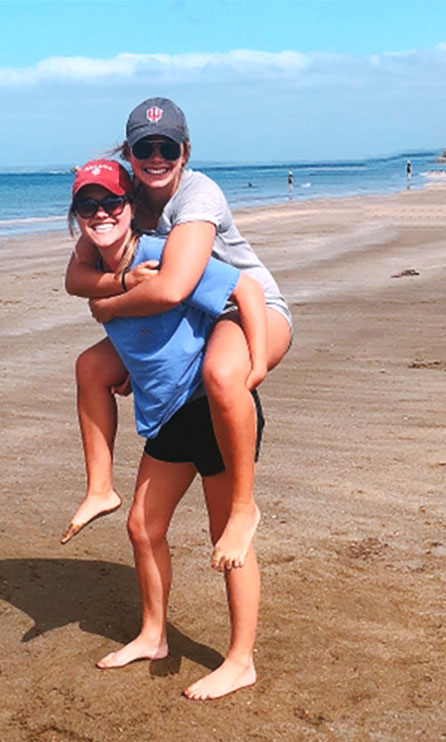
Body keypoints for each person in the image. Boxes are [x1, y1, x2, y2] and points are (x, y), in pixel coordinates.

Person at [65, 158, 269, 700]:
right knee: (142, 527)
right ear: (76, 217)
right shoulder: (102, 269)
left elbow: (246, 290)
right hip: (169, 414)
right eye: (89, 206)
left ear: (132, 209)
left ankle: (240, 659)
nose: (101, 213)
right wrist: (110, 300)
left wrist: (258, 365)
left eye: (111, 204)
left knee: (227, 536)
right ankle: (153, 635)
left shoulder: (160, 255)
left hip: (211, 409)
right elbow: (85, 294)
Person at [64, 98, 293, 572]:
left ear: (184, 151)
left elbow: (171, 289)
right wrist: (122, 286)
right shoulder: (118, 198)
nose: (155, 157)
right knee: (92, 366)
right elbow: (77, 278)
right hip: (191, 320)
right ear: (129, 153)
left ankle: (243, 506)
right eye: (144, 147)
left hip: (249, 309)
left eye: (166, 146)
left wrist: (106, 308)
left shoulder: (198, 195)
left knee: (221, 372)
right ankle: (100, 488)